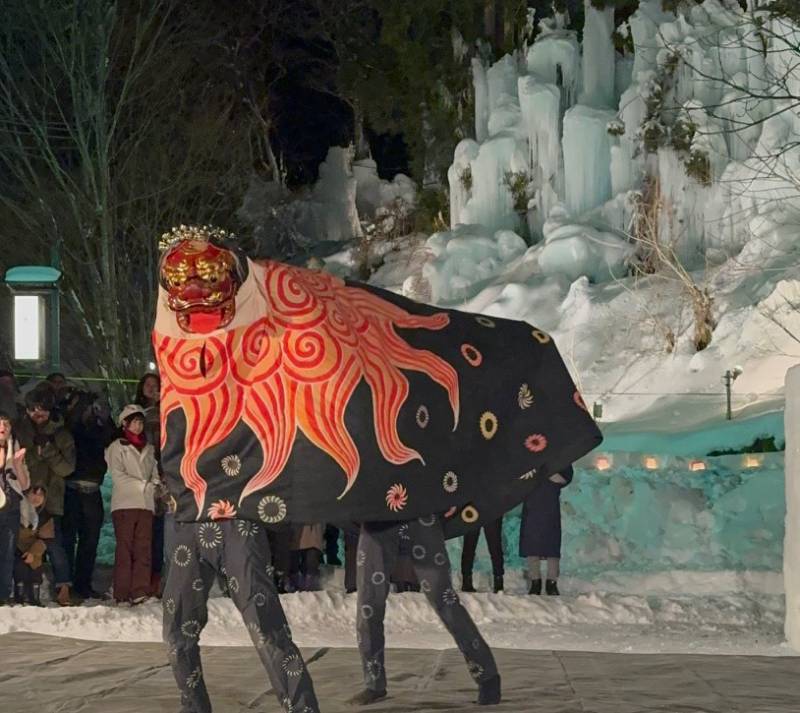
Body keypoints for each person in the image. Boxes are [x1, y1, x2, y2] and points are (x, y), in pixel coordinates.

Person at [163, 519, 320, 712]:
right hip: (188, 522)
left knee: (265, 628)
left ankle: (302, 708)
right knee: (177, 630)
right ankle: (193, 708)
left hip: (237, 523)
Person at [349, 515, 501, 706]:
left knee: (444, 599)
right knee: (368, 604)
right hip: (377, 515)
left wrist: (448, 499)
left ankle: (488, 677)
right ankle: (373, 682)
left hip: (421, 511)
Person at [15, 384, 76, 606]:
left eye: (42, 410)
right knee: (21, 543)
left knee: (54, 544)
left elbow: (67, 468)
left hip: (52, 498)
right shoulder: (20, 431)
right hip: (22, 497)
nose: (37, 414)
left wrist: (48, 450)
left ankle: (63, 587)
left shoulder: (61, 434)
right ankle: (22, 585)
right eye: (33, 409)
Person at [62, 389, 115, 599]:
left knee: (90, 540)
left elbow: (111, 436)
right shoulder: (73, 429)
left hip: (92, 488)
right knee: (69, 539)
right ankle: (66, 584)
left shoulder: (97, 430)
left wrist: (104, 417)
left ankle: (83, 584)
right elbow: (72, 426)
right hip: (73, 488)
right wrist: (79, 408)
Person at [106, 404, 160, 605]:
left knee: (143, 548)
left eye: (140, 422)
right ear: (125, 424)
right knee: (125, 549)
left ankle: (140, 590)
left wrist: (154, 486)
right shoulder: (116, 447)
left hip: (145, 505)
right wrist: (144, 485)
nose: (138, 426)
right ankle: (121, 592)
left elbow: (154, 473)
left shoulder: (149, 448)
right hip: (125, 504)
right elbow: (118, 476)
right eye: (134, 422)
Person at [519, 466, 574, 596]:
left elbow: (567, 476)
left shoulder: (560, 454)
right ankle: (535, 581)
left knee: (552, 544)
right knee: (531, 544)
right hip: (532, 503)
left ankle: (552, 582)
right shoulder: (530, 453)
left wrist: (548, 474)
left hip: (550, 504)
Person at [135, 372, 166, 596]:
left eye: (155, 385)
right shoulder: (136, 412)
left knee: (159, 531)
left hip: (164, 475)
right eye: (147, 385)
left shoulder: (169, 410)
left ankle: (156, 578)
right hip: (141, 475)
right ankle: (140, 578)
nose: (151, 388)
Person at [0, 411, 29, 604]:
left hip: (11, 505)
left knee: (7, 552)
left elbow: (25, 484)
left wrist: (17, 464)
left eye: (6, 425)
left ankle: (3, 594)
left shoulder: (15, 448)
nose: (3, 428)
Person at [14, 485, 51, 606]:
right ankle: (19, 596)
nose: (37, 497)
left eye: (40, 495)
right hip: (17, 548)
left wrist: (32, 553)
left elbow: (45, 539)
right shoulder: (16, 512)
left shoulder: (46, 517)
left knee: (35, 566)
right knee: (20, 567)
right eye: (34, 493)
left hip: (35, 551)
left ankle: (34, 597)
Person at [460, 517, 505, 593]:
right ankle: (498, 582)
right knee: (469, 547)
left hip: (484, 511)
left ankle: (466, 580)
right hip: (479, 510)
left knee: (494, 548)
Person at [289, 523, 323, 592]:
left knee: (311, 557)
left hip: (312, 527)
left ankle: (309, 584)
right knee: (294, 558)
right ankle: (295, 583)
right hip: (296, 526)